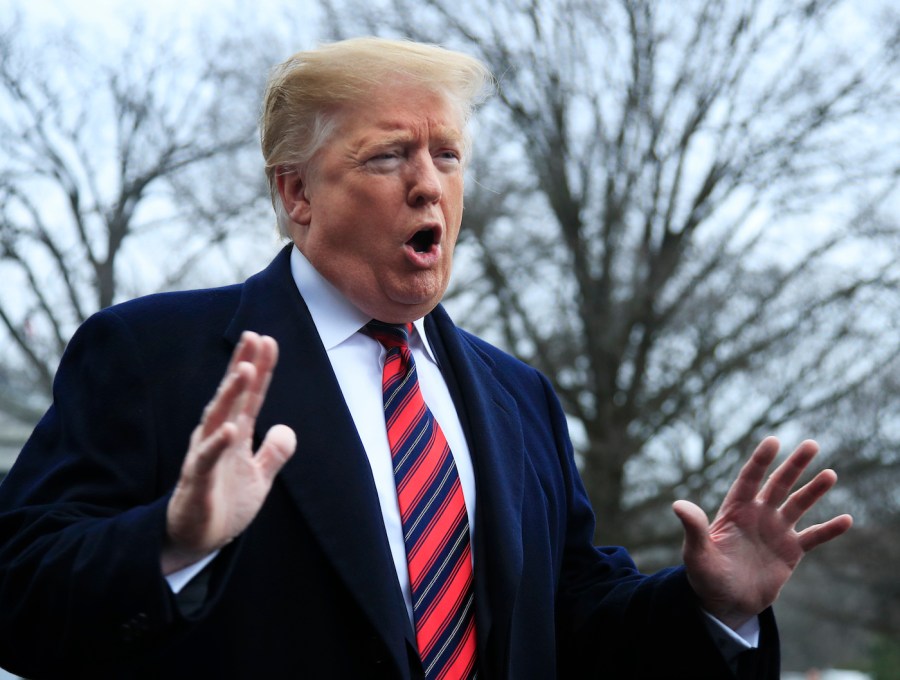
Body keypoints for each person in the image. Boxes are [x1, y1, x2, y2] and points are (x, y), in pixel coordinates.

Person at [0, 37, 852, 679]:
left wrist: (711, 605)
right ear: (296, 192)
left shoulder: (519, 399)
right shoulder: (155, 357)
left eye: (448, 155)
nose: (428, 184)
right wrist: (171, 540)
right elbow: (20, 596)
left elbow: (577, 626)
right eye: (388, 155)